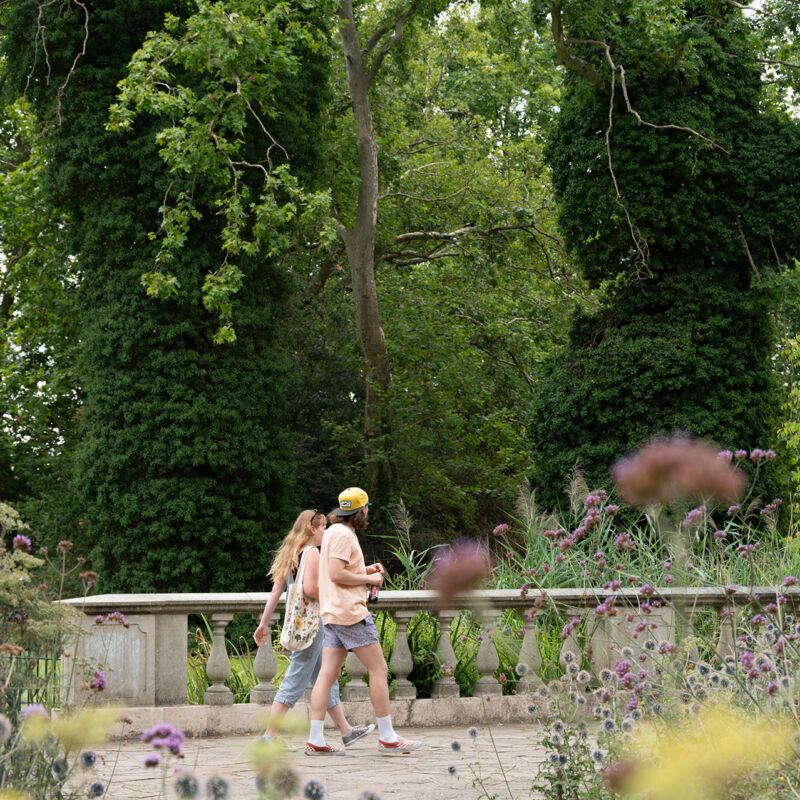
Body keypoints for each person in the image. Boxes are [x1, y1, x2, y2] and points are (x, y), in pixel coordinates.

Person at [304, 488, 422, 756]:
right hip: (350, 614)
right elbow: (335, 573)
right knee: (379, 669)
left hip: (332, 613)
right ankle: (388, 737)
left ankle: (316, 739)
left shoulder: (333, 531)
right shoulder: (345, 535)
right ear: (361, 511)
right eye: (367, 507)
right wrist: (370, 579)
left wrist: (363, 570)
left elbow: (339, 569)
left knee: (327, 675)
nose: (368, 511)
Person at [253, 509, 374, 746]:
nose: (325, 532)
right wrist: (338, 588)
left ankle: (346, 730)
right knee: (296, 677)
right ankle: (268, 737)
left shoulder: (292, 553)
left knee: (325, 676)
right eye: (323, 528)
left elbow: (276, 592)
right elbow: (312, 590)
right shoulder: (312, 553)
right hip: (313, 624)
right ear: (312, 529)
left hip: (298, 623)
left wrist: (263, 623)